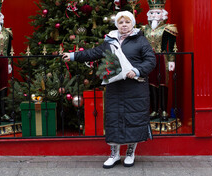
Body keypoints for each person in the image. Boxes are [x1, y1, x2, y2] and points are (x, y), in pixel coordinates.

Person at [62, 11, 156, 168]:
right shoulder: (110, 41)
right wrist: (73, 56)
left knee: (133, 119)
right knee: (114, 119)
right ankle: (114, 154)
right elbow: (94, 53)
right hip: (115, 86)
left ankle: (130, 153)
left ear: (132, 24)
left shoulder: (141, 41)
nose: (124, 25)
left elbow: (150, 61)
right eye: (121, 22)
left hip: (135, 87)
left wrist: (137, 71)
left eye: (127, 22)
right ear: (116, 25)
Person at [142, 0, 178, 121]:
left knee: (163, 84)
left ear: (162, 14)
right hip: (149, 59)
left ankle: (163, 110)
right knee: (151, 84)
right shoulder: (145, 29)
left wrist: (172, 60)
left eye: (157, 13)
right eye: (152, 13)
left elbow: (173, 46)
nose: (154, 15)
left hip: (162, 58)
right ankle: (153, 110)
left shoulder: (168, 28)